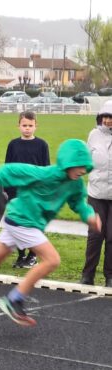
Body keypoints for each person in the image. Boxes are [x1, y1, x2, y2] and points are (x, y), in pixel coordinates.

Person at [0, 139, 101, 327]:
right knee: (52, 260)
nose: (82, 170)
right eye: (78, 165)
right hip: (22, 221)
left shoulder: (75, 184)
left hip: (26, 225)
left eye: (85, 166)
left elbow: (78, 203)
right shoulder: (42, 174)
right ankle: (14, 299)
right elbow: (2, 172)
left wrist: (89, 216)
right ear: (67, 162)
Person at [5, 110, 50, 268]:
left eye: (30, 125)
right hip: (16, 192)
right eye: (24, 125)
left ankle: (32, 255)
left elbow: (46, 170)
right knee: (18, 224)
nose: (27, 128)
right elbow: (8, 168)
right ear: (18, 126)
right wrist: (7, 190)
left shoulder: (42, 145)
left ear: (36, 126)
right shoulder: (13, 144)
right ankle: (21, 255)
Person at [81, 101, 112, 287]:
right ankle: (87, 275)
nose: (108, 121)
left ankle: (110, 277)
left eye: (111, 118)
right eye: (105, 117)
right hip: (96, 194)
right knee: (95, 236)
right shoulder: (93, 135)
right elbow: (86, 160)